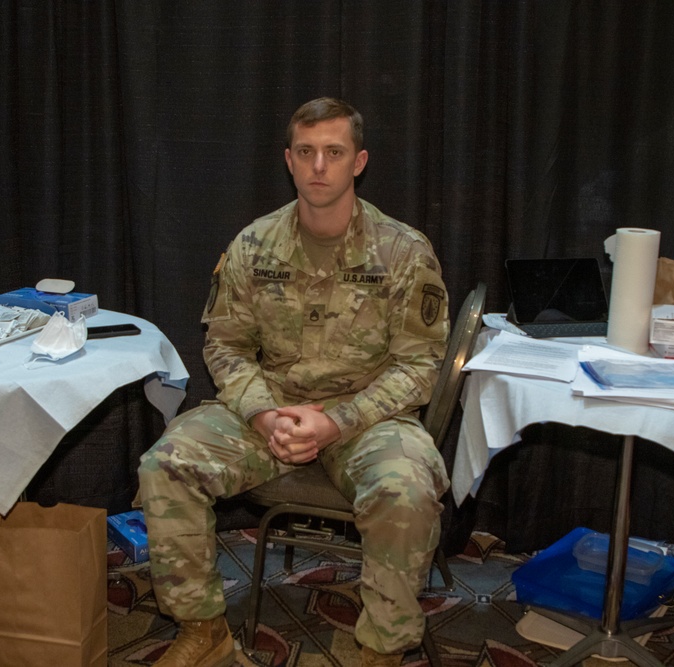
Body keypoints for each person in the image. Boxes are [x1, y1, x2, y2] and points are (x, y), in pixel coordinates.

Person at [137, 97, 451, 667]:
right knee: (165, 463)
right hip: (272, 411)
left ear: (359, 162)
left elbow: (420, 364)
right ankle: (203, 629)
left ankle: (380, 651)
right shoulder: (254, 245)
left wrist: (336, 421)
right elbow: (225, 345)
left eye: (334, 152)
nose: (319, 167)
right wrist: (263, 413)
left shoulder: (403, 251)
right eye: (306, 153)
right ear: (288, 159)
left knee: (406, 489)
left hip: (367, 417)